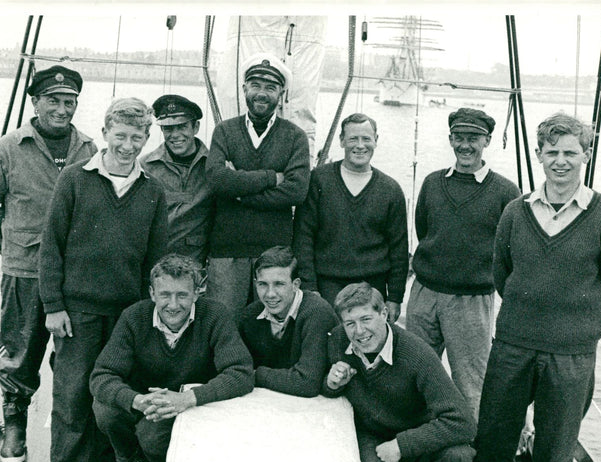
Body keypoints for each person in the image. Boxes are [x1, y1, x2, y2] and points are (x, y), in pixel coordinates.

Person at [462, 112, 601, 462]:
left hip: (572, 354)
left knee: (557, 446)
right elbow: (502, 274)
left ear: (586, 155)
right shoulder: (515, 212)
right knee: (494, 432)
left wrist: (579, 326)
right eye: (552, 152)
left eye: (570, 152)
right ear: (539, 155)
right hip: (513, 345)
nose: (561, 161)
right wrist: (529, 313)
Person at [38, 97, 169, 462]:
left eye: (137, 138)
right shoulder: (74, 179)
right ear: (106, 133)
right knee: (72, 393)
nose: (127, 146)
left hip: (127, 313)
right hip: (77, 311)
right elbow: (51, 246)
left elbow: (156, 260)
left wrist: (149, 314)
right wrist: (53, 305)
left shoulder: (153, 191)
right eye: (120, 136)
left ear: (147, 138)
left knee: (116, 392)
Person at [0, 65, 97, 462]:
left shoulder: (89, 149)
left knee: (74, 359)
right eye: (53, 100)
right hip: (24, 274)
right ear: (35, 102)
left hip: (76, 276)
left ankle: (72, 438)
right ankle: (14, 429)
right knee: (20, 353)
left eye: (69, 101)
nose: (62, 109)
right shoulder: (7, 149)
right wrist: (13, 247)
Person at [90, 254, 254, 462]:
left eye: (182, 295)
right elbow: (102, 375)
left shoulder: (215, 315)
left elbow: (241, 373)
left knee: (152, 438)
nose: (173, 305)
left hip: (189, 402)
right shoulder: (134, 317)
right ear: (152, 293)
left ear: (197, 293)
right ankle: (134, 460)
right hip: (146, 400)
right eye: (165, 295)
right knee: (105, 410)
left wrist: (187, 399)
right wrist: (137, 400)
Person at [322, 283, 475, 462]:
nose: (359, 331)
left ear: (384, 314)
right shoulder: (338, 340)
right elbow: (325, 391)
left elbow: (463, 422)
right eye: (350, 323)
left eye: (366, 319)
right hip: (372, 436)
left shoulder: (417, 354)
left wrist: (402, 445)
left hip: (415, 436)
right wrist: (331, 384)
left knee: (459, 457)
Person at [406, 108, 520, 422]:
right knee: (413, 374)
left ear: (487, 141)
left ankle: (469, 442)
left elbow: (511, 249)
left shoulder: (506, 192)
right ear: (450, 139)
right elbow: (424, 229)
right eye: (459, 137)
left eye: (473, 138)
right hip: (424, 295)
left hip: (472, 302)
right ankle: (418, 437)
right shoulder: (432, 183)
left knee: (471, 383)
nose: (465, 145)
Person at [205, 52, 310, 319]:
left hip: (275, 255)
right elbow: (216, 179)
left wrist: (239, 193)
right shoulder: (225, 131)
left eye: (270, 87)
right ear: (244, 89)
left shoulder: (295, 137)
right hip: (226, 252)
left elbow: (296, 191)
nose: (262, 93)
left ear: (281, 94)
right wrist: (271, 178)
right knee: (223, 324)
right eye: (255, 85)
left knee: (272, 326)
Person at [293, 113, 408, 322]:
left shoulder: (391, 190)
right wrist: (310, 288)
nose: (360, 146)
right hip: (327, 286)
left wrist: (395, 297)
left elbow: (399, 250)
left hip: (373, 286)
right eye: (353, 139)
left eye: (366, 139)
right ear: (342, 141)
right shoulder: (318, 180)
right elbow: (303, 237)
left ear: (376, 141)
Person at [238, 246, 338, 397]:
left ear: (295, 284)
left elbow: (307, 383)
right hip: (271, 397)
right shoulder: (251, 314)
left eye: (279, 284)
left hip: (318, 402)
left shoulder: (317, 313)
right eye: (263, 284)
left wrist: (257, 374)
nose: (270, 294)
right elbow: (237, 369)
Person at [140, 94, 213, 266]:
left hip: (196, 264)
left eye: (182, 127)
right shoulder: (145, 167)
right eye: (168, 129)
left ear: (196, 127)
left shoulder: (214, 167)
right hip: (155, 263)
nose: (175, 135)